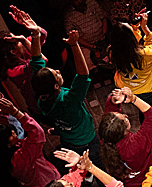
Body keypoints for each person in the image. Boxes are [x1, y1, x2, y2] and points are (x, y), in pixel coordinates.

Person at [98, 13, 152, 155]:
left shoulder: (113, 52)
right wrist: (144, 28)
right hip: (150, 90)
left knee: (143, 112)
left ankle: (149, 138)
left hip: (132, 91)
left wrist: (135, 28)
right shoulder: (144, 55)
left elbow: (127, 42)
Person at [30, 28, 101, 166]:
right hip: (86, 138)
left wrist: (35, 34)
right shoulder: (69, 101)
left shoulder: (42, 99)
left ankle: (86, 176)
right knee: (95, 161)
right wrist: (74, 45)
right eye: (56, 74)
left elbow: (36, 60)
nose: (57, 71)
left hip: (67, 138)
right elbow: (83, 75)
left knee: (79, 163)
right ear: (56, 86)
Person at [0, 97, 60, 187]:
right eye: (10, 134)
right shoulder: (21, 160)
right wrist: (16, 113)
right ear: (7, 144)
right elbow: (37, 132)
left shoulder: (4, 158)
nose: (14, 132)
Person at [100, 86, 152, 187]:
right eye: (125, 120)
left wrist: (114, 101)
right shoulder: (136, 144)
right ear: (124, 131)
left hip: (129, 185)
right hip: (148, 178)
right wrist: (133, 99)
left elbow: (110, 118)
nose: (125, 115)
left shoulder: (106, 137)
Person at [0, 5, 50, 121]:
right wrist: (26, 39)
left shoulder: (24, 51)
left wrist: (32, 26)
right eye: (17, 41)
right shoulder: (13, 72)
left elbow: (42, 36)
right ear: (13, 51)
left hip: (49, 97)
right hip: (42, 108)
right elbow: (41, 62)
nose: (21, 41)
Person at [63, 0, 109, 68]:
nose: (80, 1)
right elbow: (75, 37)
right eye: (76, 0)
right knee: (89, 65)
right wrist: (91, 47)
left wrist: (104, 34)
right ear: (72, 1)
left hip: (103, 38)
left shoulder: (91, 2)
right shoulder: (69, 15)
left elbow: (103, 17)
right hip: (86, 45)